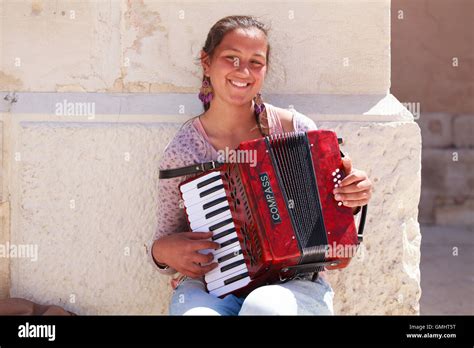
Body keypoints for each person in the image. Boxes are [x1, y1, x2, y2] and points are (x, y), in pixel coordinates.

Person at [149, 15, 372, 315]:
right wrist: (163, 252)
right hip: (211, 286)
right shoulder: (184, 151)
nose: (244, 71)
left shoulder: (296, 129)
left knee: (263, 307)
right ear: (206, 62)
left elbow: (333, 210)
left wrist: (353, 194)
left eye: (256, 62)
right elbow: (163, 241)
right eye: (231, 58)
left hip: (294, 282)